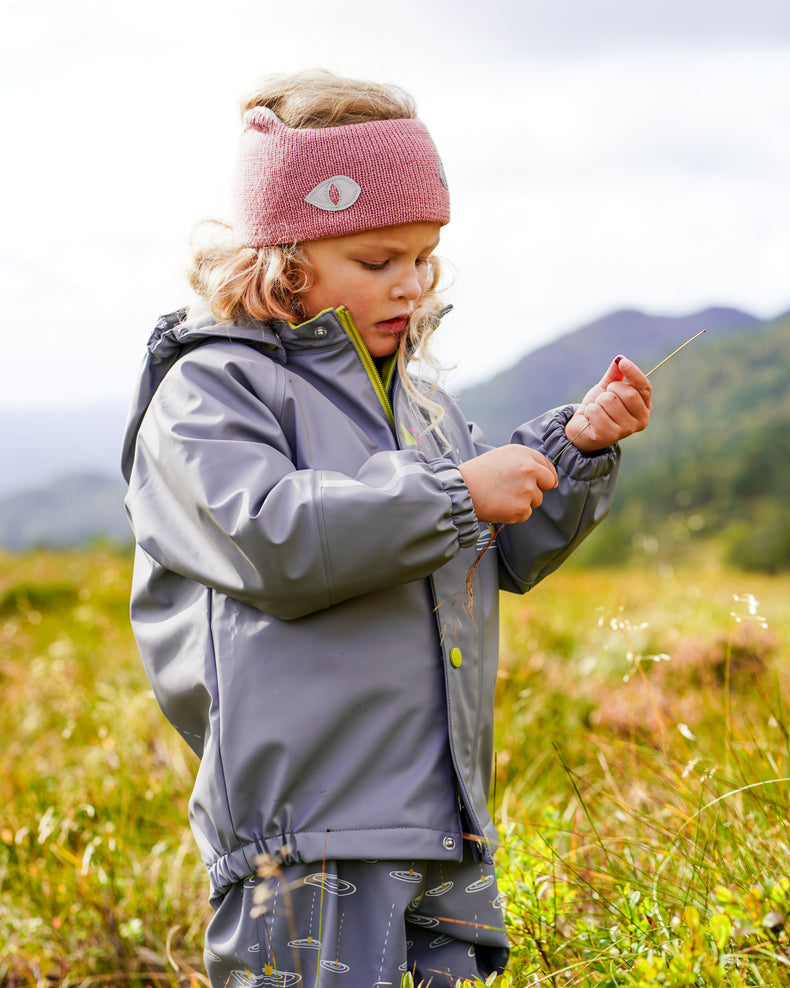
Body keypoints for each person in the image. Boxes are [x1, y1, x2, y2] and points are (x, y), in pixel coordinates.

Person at [121, 69, 651, 987]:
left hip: (442, 822)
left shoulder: (424, 408)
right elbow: (270, 536)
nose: (411, 284)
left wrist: (571, 454)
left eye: (425, 257)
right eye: (378, 261)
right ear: (281, 259)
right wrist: (456, 495)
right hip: (306, 832)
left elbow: (497, 548)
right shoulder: (210, 393)